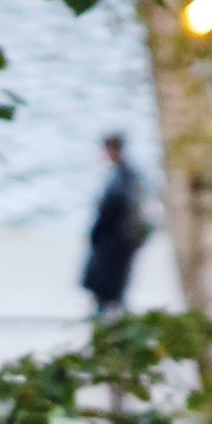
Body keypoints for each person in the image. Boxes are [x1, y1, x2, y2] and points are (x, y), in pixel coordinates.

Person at [81, 132, 144, 318]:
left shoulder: (124, 176)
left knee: (110, 288)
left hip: (115, 242)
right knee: (109, 290)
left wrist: (98, 232)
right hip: (115, 241)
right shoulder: (123, 174)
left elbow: (115, 207)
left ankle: (110, 323)